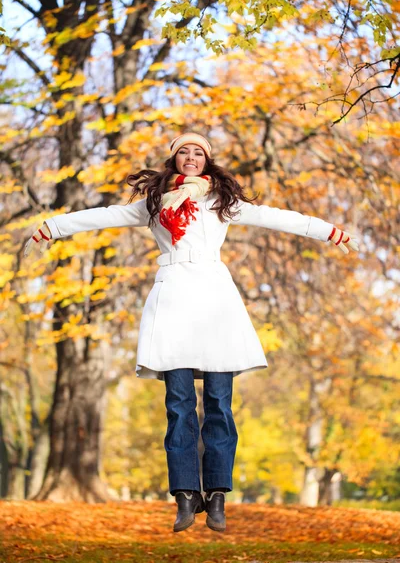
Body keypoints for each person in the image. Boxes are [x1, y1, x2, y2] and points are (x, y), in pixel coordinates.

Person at [24, 131, 359, 533]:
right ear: (174, 159)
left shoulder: (223, 202)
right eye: (184, 150)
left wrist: (328, 231)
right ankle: (185, 495)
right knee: (179, 405)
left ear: (206, 160)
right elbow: (105, 214)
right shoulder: (153, 205)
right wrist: (53, 227)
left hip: (217, 304)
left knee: (219, 403)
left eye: (198, 151)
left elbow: (275, 216)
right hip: (173, 304)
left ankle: (216, 494)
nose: (191, 156)